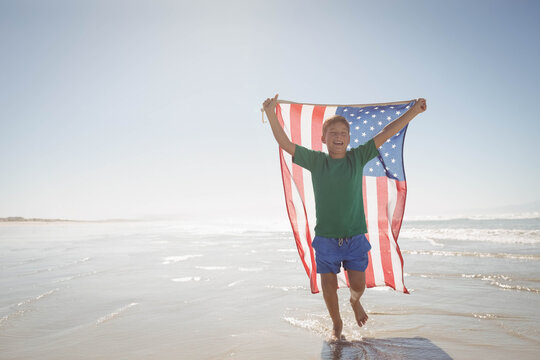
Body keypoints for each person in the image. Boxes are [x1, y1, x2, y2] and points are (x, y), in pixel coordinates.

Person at [263, 93, 427, 341]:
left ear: (349, 139)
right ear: (323, 138)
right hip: (327, 239)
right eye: (333, 133)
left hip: (354, 239)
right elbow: (285, 143)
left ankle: (354, 301)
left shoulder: (357, 157)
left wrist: (413, 112)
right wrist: (269, 112)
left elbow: (386, 132)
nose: (338, 137)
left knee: (358, 285)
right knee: (328, 286)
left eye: (343, 133)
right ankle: (336, 323)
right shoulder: (317, 161)